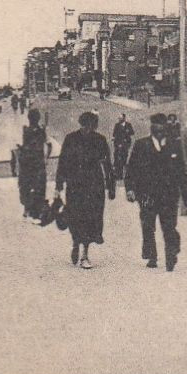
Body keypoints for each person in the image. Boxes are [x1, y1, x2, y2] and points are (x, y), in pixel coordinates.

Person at [125, 113, 187, 271]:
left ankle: (171, 255)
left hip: (169, 195)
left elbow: (181, 173)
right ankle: (152, 256)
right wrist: (130, 189)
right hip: (147, 194)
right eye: (155, 125)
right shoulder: (141, 145)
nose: (159, 128)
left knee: (169, 227)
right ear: (151, 128)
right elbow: (131, 168)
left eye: (161, 125)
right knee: (148, 226)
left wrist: (186, 195)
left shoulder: (174, 146)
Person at [55, 110, 115, 268]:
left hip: (94, 184)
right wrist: (58, 185)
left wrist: (111, 185)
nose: (88, 129)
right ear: (81, 124)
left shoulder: (100, 140)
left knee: (91, 218)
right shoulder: (71, 139)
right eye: (85, 126)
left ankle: (85, 254)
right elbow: (63, 162)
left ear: (94, 126)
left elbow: (107, 163)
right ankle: (75, 243)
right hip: (75, 184)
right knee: (75, 216)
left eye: (91, 126)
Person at [18, 107, 50, 219]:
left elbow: (21, 147)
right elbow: (47, 145)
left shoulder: (25, 130)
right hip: (37, 161)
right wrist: (46, 159)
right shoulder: (41, 131)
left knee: (27, 185)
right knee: (39, 185)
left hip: (28, 162)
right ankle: (35, 208)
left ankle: (28, 208)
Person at [111, 114, 136, 179]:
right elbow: (114, 134)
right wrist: (115, 139)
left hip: (125, 145)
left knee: (124, 158)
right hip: (118, 144)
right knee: (117, 158)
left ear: (124, 118)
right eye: (119, 118)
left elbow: (132, 133)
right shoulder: (117, 125)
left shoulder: (128, 125)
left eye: (120, 118)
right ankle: (118, 174)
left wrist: (127, 134)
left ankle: (123, 174)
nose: (119, 119)